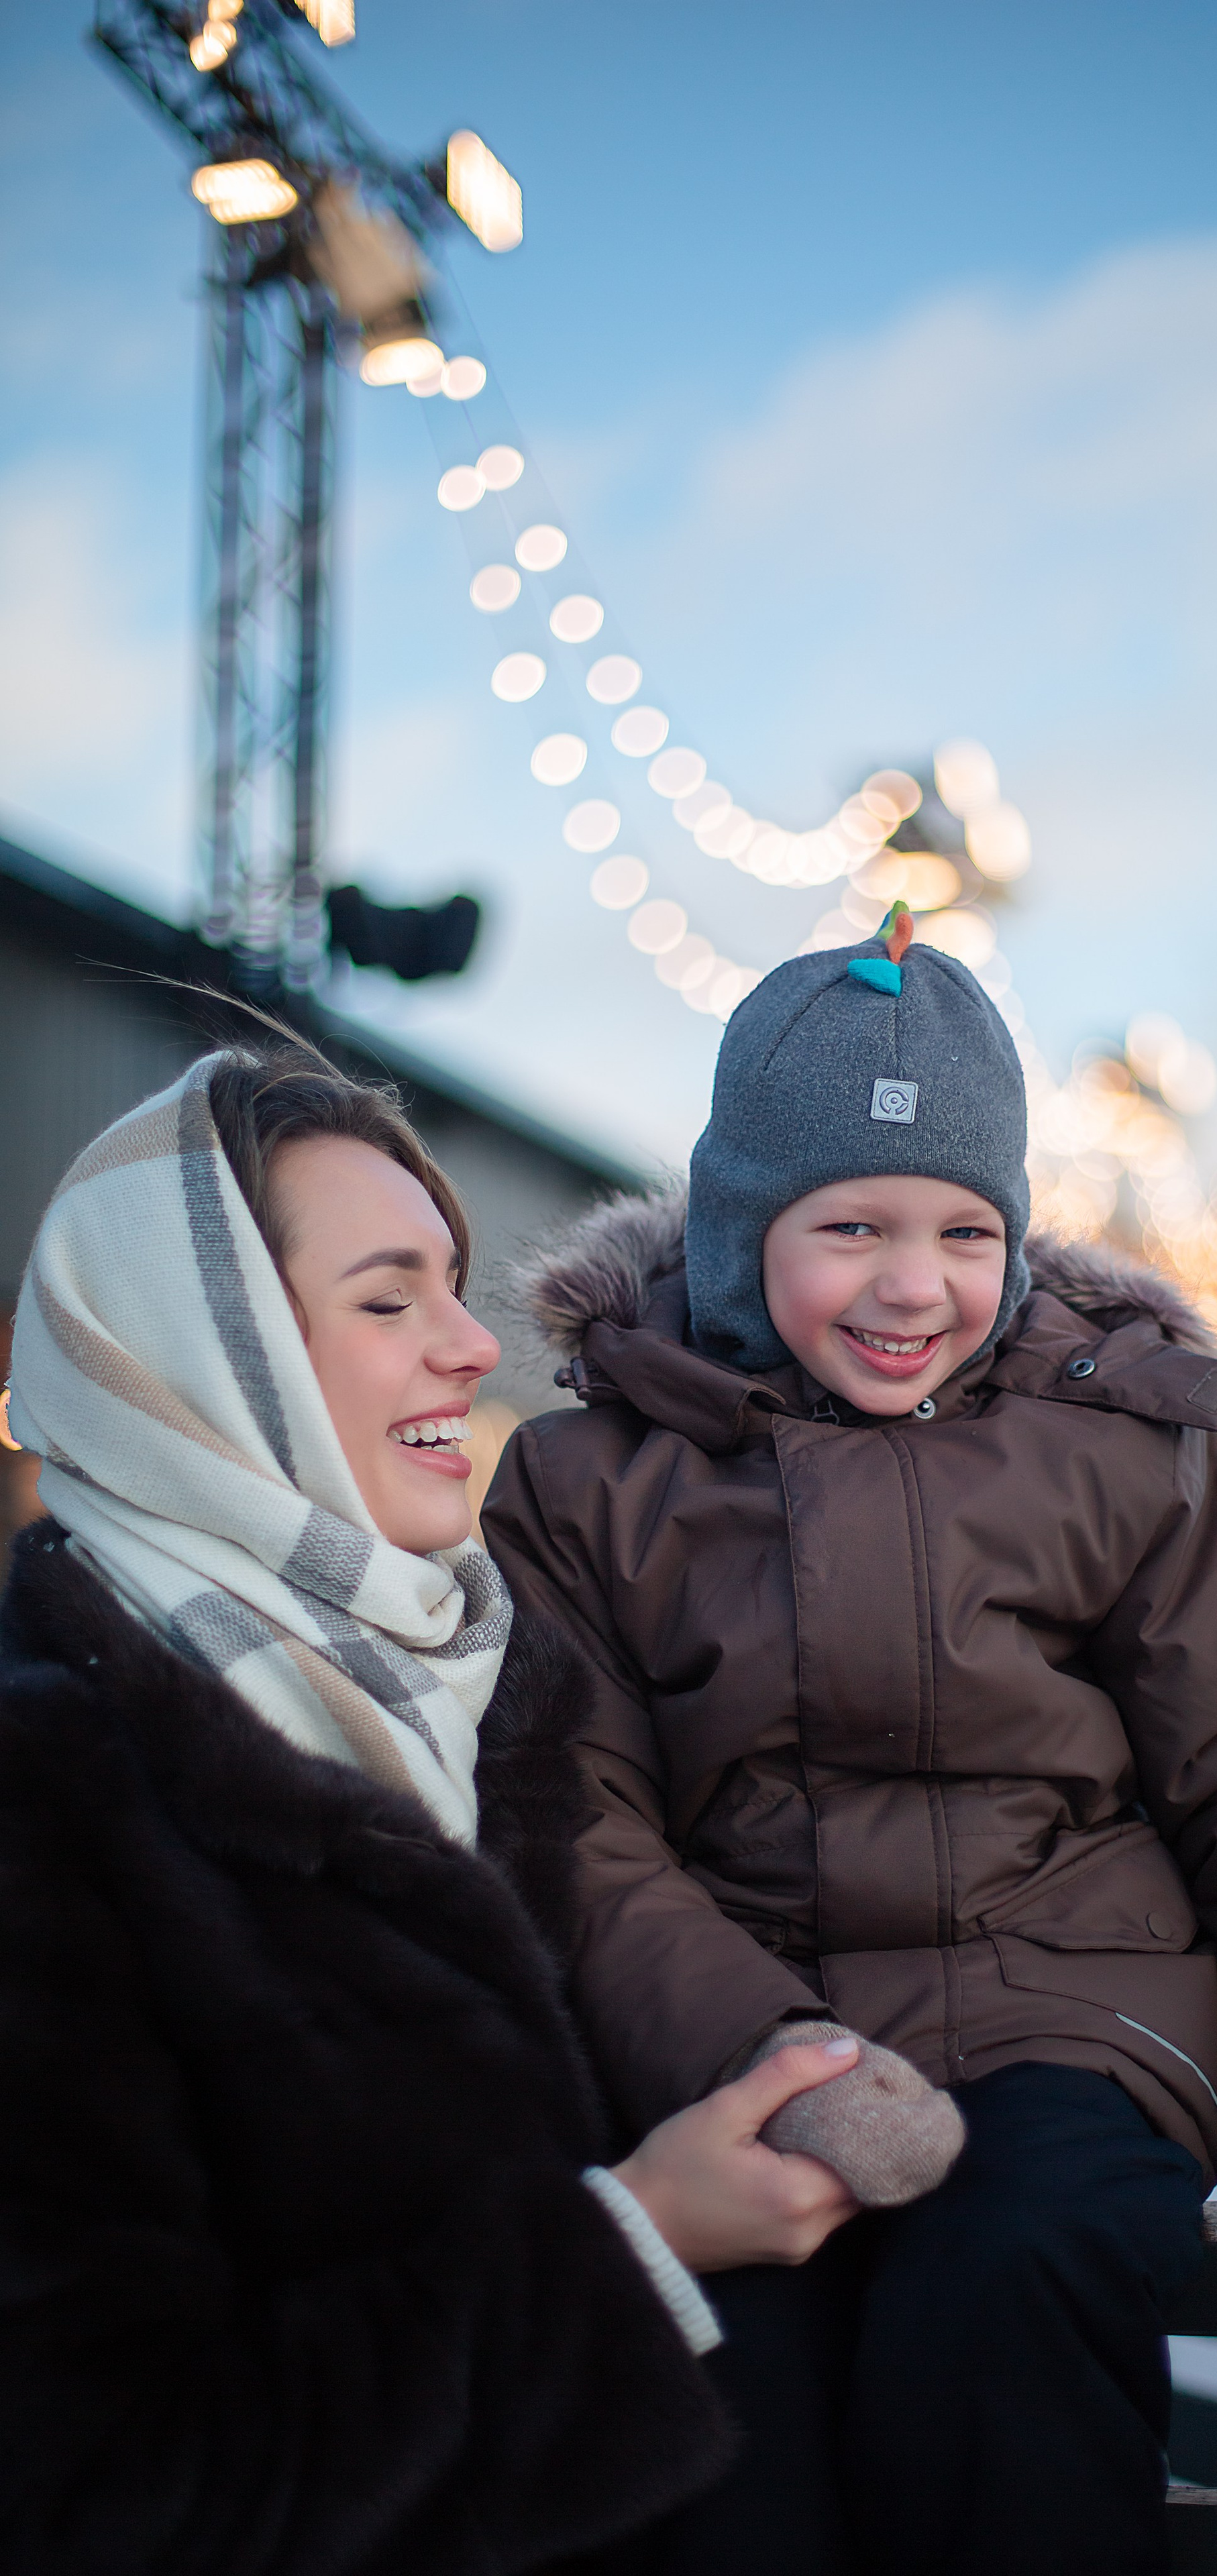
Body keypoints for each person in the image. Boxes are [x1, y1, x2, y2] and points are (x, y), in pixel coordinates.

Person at [483, 908, 1217, 2576]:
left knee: (1011, 2277)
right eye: (851, 1223)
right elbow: (567, 1822)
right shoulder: (592, 1484)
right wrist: (769, 2056)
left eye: (964, 1228)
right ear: (741, 1234)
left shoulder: (1114, 1449)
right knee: (737, 2366)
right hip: (738, 2027)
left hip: (1067, 2014)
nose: (912, 1282)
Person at [0, 1034, 875, 2573]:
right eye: (388, 1297)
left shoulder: (517, 1702)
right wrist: (634, 2250)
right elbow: (108, 2483)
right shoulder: (52, 1797)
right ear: (206, 1353)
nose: (475, 1348)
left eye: (453, 1287)